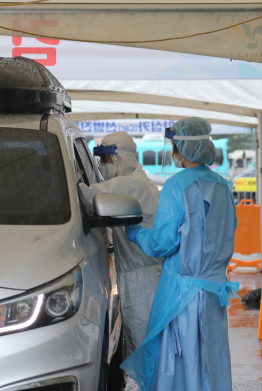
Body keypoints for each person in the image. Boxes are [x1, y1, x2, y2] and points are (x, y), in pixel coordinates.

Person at [121, 117, 239, 391]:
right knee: (211, 358)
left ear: (183, 149)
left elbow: (161, 243)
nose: (173, 153)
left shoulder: (176, 186)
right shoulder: (223, 186)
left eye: (174, 147)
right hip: (213, 290)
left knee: (180, 365)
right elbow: (227, 232)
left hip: (181, 293)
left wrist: (135, 232)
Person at [79, 131, 163, 356]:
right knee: (146, 347)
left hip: (143, 283)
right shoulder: (141, 181)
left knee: (147, 349)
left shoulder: (130, 185)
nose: (103, 165)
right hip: (144, 276)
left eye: (106, 160)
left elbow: (89, 197)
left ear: (120, 159)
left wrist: (72, 182)